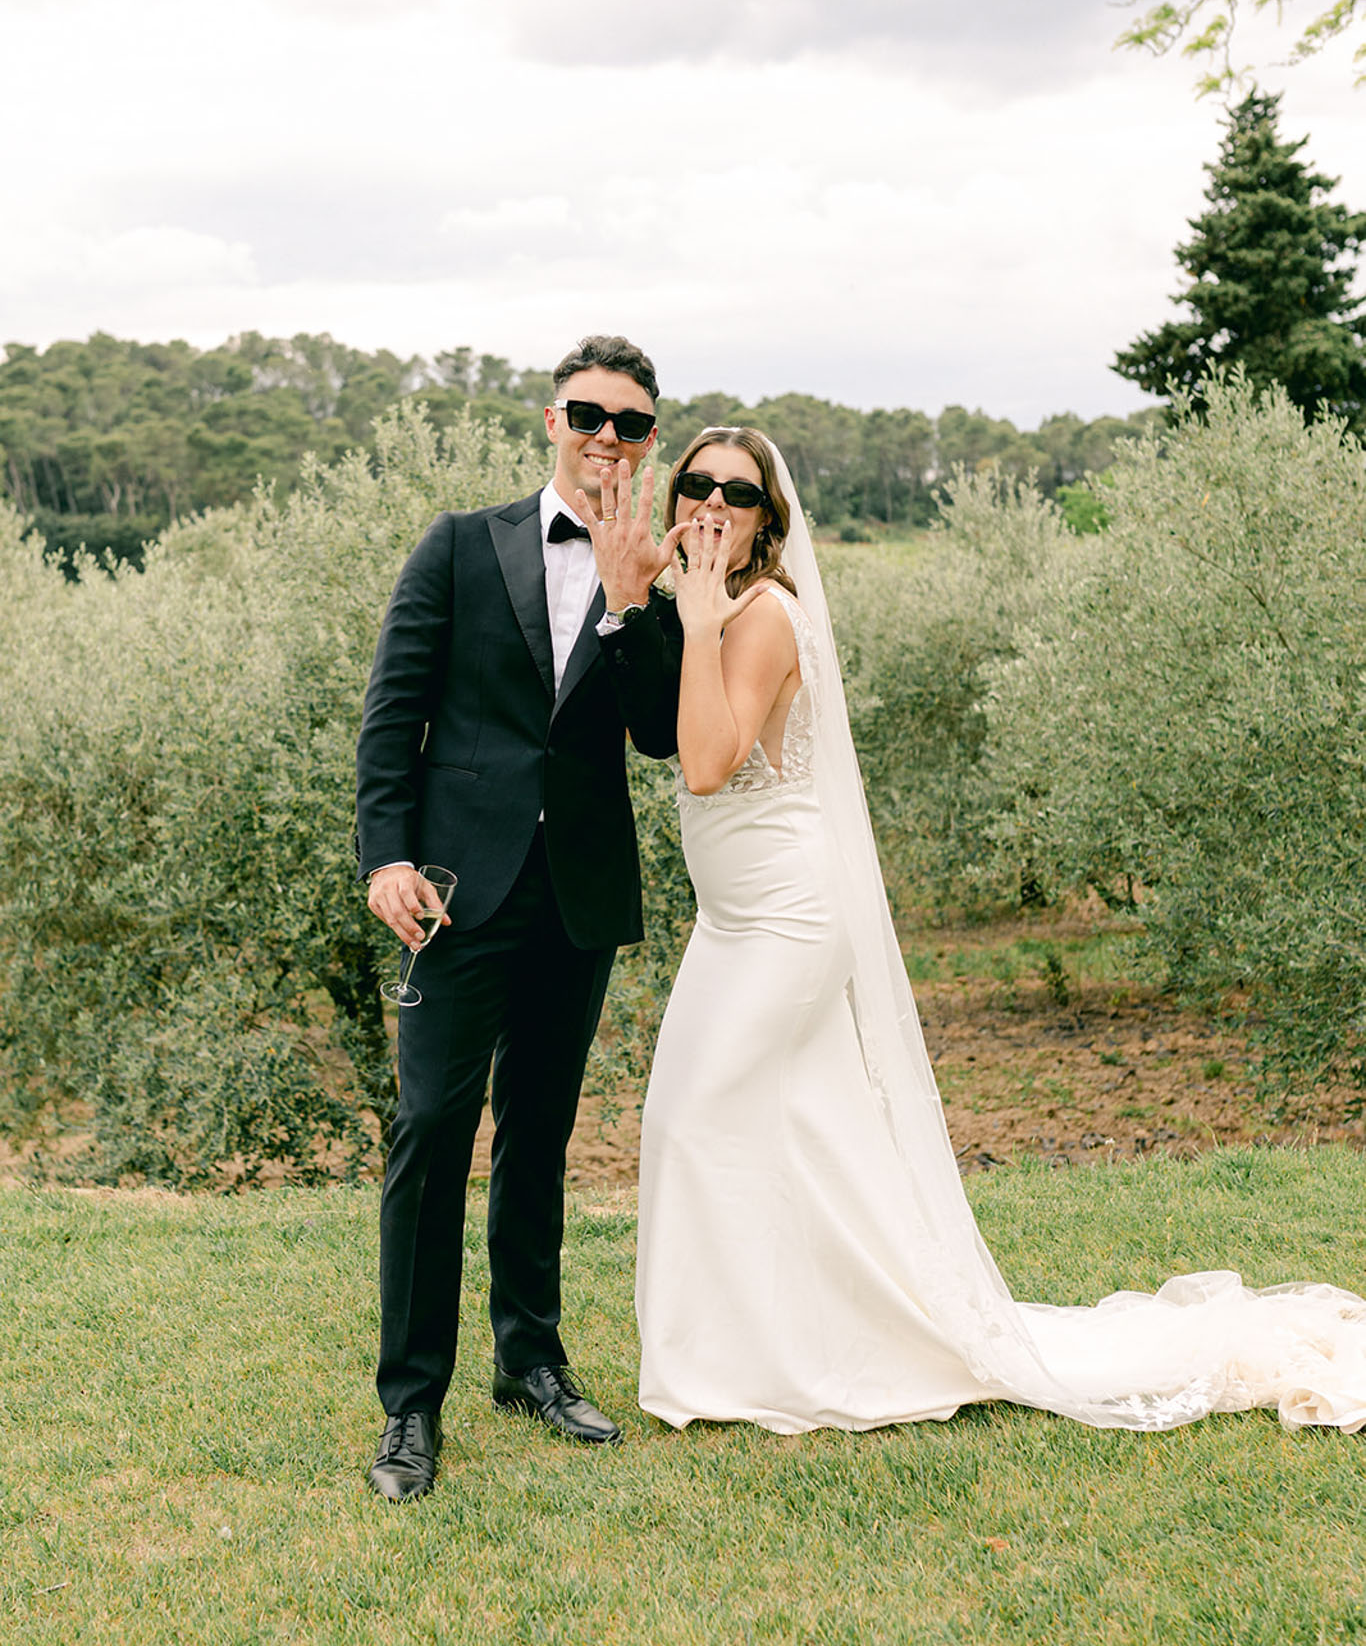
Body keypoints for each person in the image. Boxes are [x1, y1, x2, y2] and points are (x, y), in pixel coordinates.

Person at [632, 426, 1366, 1436]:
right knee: (789, 1129)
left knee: (694, 1116)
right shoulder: (716, 610)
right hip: (732, 915)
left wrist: (702, 616)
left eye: (738, 491)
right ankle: (771, 1345)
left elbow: (708, 762)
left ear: (768, 520)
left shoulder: (758, 616)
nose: (714, 501)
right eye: (698, 484)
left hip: (787, 916)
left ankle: (751, 1358)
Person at [355, 333, 684, 1501]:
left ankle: (531, 1362)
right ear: (552, 418)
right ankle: (409, 1404)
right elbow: (393, 712)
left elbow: (657, 731)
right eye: (589, 413)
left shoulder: (656, 560)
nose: (608, 435)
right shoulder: (457, 543)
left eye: (632, 422)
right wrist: (385, 854)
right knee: (433, 1125)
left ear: (649, 437)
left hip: (578, 891)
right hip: (455, 891)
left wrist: (633, 595)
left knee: (538, 1132)